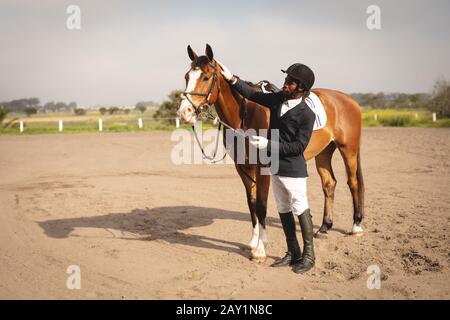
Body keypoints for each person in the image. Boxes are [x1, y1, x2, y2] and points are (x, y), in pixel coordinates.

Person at [218, 61, 316, 274]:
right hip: (275, 166)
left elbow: (299, 146)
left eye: (290, 81)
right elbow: (253, 96)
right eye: (286, 79)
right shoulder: (278, 99)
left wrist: (268, 145)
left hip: (294, 169)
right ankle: (293, 252)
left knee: (300, 208)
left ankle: (309, 256)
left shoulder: (307, 114)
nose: (285, 83)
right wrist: (231, 78)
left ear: (301, 87)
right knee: (282, 208)